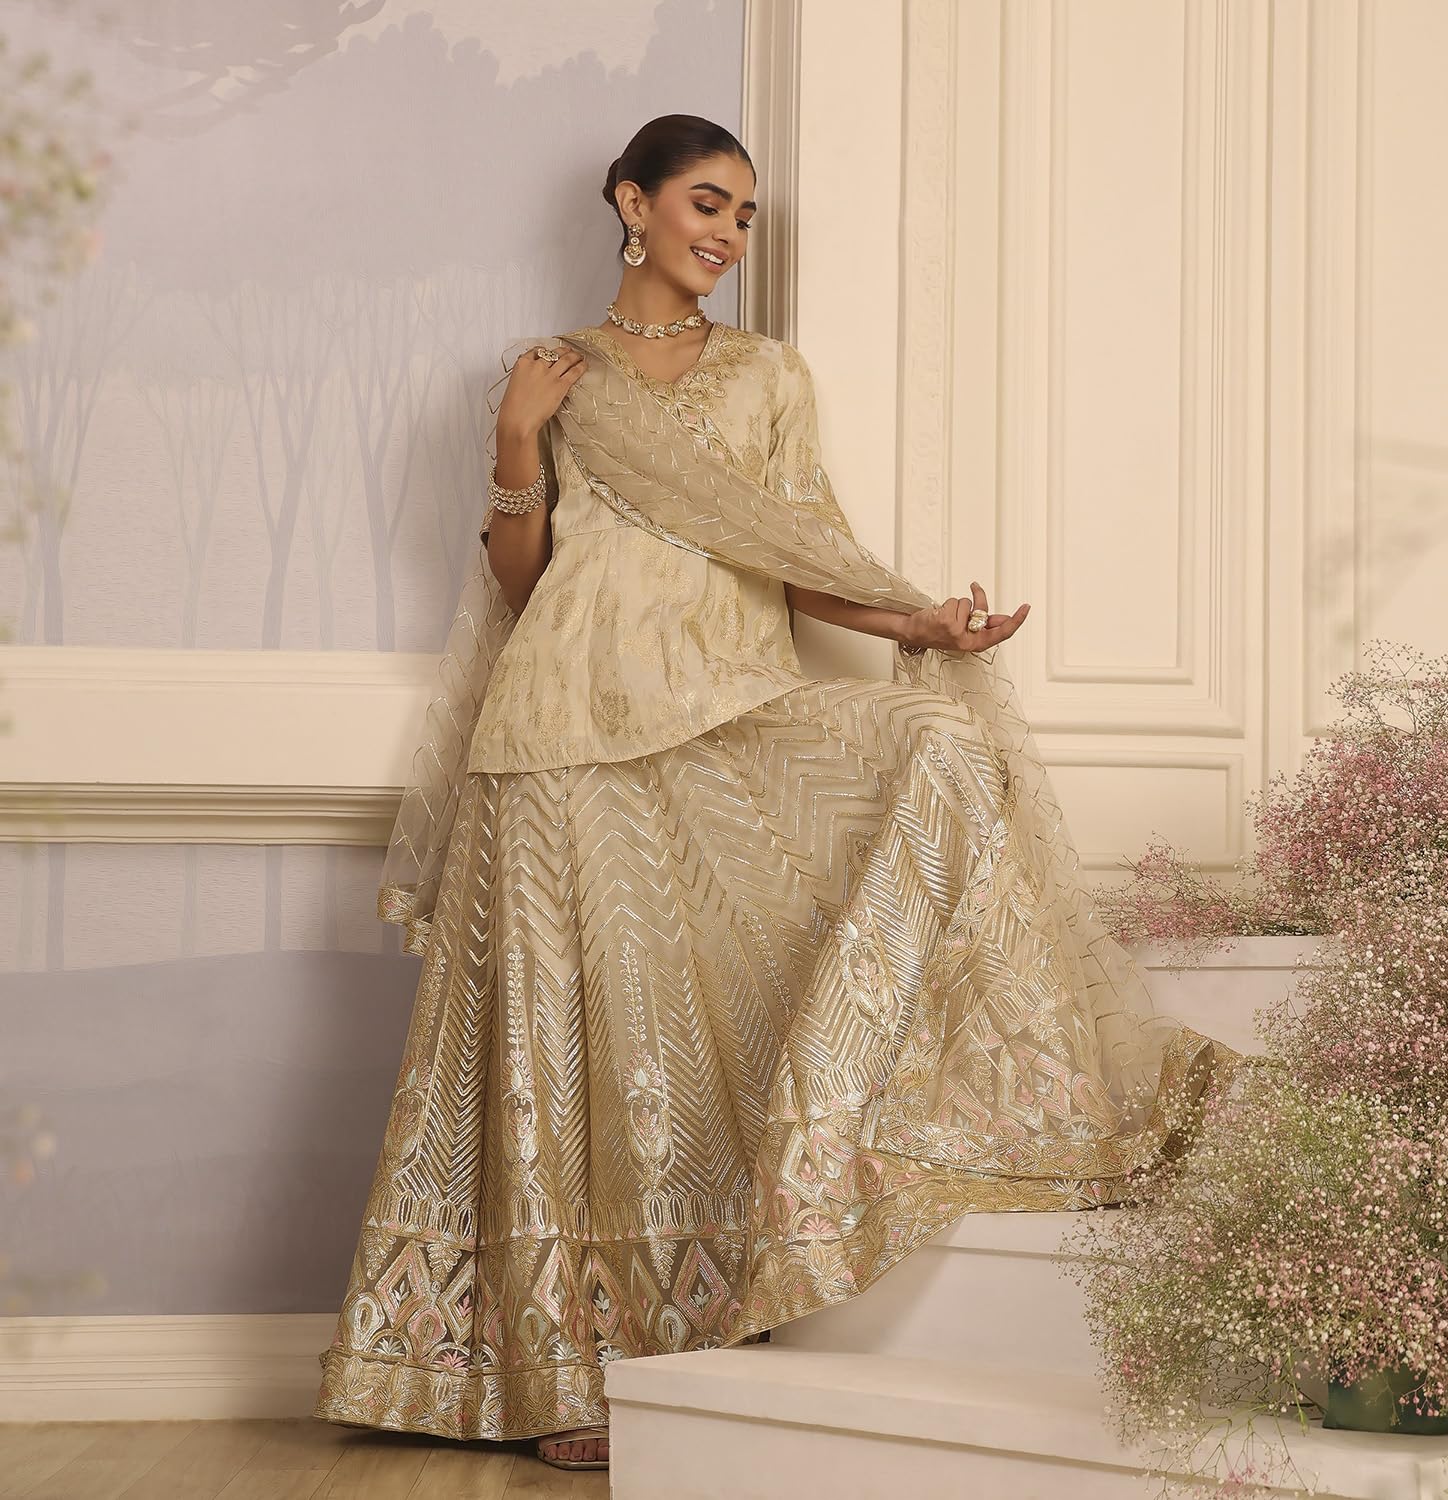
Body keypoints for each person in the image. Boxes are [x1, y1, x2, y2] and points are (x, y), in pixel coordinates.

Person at [311, 113, 1224, 1473]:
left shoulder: (766, 376)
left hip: (731, 706)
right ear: (632, 203)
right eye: (707, 204)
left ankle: (769, 1254)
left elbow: (796, 553)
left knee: (936, 750)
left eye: (746, 214)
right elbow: (520, 584)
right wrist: (513, 441)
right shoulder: (553, 375)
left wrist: (920, 624)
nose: (730, 234)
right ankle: (564, 1379)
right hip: (560, 729)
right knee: (579, 1048)